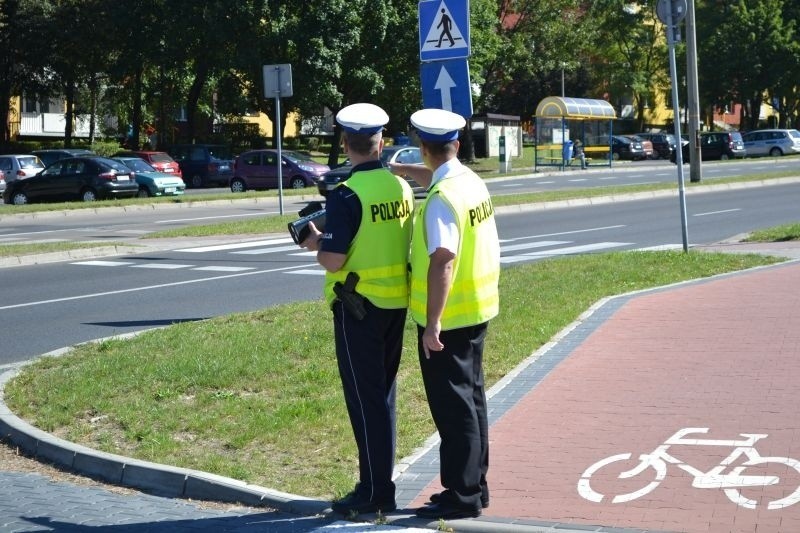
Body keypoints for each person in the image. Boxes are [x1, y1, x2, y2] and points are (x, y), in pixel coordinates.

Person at [299, 103, 414, 516]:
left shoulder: (346, 195)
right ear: (381, 143)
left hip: (358, 307)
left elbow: (332, 260)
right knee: (382, 398)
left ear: (346, 144)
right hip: (395, 304)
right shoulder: (399, 187)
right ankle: (381, 483)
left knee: (365, 402)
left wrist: (315, 242)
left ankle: (374, 492)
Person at [397, 108, 501, 520]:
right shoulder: (468, 181)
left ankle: (462, 495)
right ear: (455, 146)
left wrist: (433, 322)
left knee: (453, 408)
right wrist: (404, 170)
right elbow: (435, 175)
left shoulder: (441, 201)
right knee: (472, 400)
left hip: (449, 319)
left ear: (425, 148)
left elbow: (443, 260)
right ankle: (475, 485)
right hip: (477, 308)